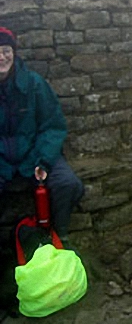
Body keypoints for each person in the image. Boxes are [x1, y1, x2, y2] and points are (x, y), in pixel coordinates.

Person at [0, 27, 84, 247]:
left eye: (6, 50)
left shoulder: (34, 84)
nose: (1, 57)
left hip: (34, 152)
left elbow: (53, 126)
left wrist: (44, 160)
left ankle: (59, 239)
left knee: (67, 183)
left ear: (14, 52)